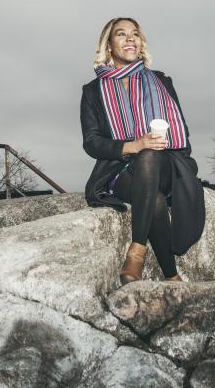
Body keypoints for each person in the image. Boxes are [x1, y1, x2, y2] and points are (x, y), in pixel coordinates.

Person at [80, 17, 205, 284]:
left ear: (141, 42)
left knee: (149, 156)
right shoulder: (92, 91)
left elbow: (181, 128)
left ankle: (136, 251)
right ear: (110, 46)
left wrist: (153, 145)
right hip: (121, 168)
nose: (130, 39)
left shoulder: (161, 81)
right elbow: (91, 142)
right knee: (154, 200)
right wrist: (132, 145)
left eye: (135, 34)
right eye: (121, 34)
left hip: (167, 164)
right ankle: (172, 277)